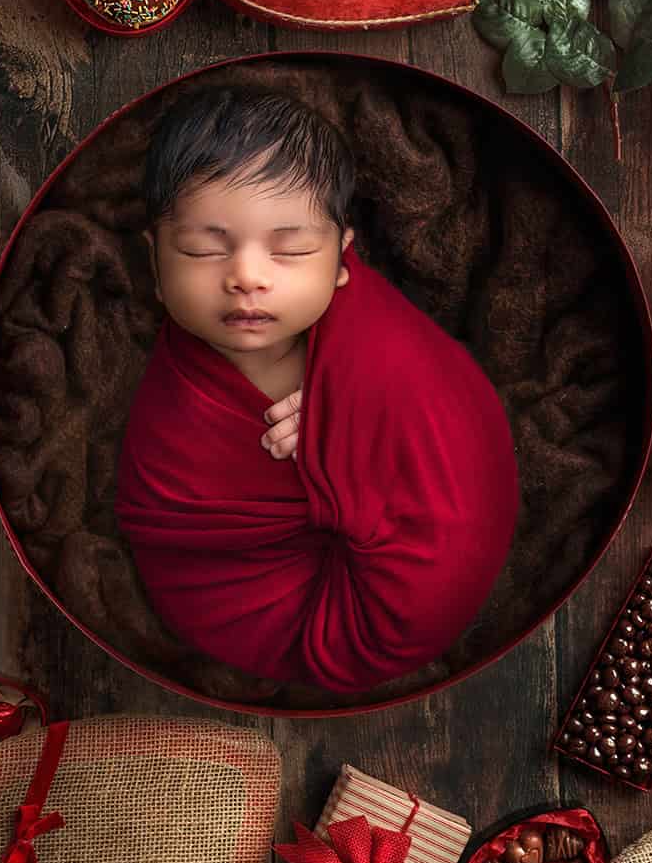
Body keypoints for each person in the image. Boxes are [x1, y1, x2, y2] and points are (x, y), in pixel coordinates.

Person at [114, 87, 519, 694]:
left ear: (339, 262)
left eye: (292, 249)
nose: (246, 276)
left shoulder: (379, 339)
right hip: (264, 603)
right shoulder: (173, 407)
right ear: (155, 264)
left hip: (404, 573)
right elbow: (176, 532)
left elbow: (458, 416)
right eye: (203, 249)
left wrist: (359, 438)